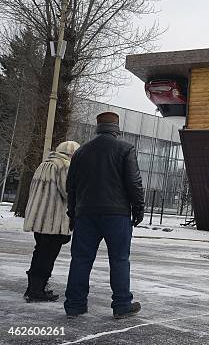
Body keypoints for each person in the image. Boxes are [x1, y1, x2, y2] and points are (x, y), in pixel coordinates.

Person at [64, 112, 145, 319]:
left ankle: (74, 305)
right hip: (116, 215)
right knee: (119, 259)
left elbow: (71, 186)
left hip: (85, 214)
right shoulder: (125, 149)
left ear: (98, 127)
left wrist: (73, 213)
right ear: (116, 128)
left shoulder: (81, 152)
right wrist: (138, 208)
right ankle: (121, 305)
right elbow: (134, 182)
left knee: (80, 260)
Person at [23, 141, 80, 302]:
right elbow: (67, 191)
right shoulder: (64, 165)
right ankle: (37, 289)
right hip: (53, 219)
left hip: (38, 218)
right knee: (47, 255)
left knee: (39, 251)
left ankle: (33, 287)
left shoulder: (44, 164)